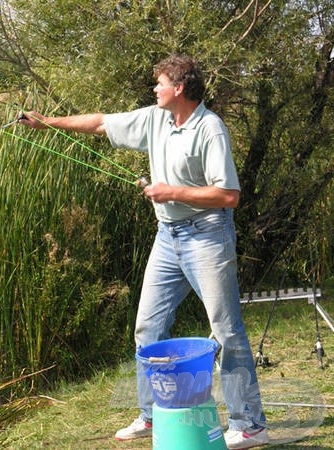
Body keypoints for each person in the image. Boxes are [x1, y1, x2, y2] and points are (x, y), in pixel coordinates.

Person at [20, 54, 269, 449]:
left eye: (160, 83)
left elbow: (229, 195)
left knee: (225, 329)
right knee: (147, 328)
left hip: (207, 236)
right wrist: (47, 123)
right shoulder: (156, 118)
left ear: (179, 88)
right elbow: (102, 122)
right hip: (167, 237)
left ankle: (250, 425)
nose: (155, 89)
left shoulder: (211, 128)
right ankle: (153, 415)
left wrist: (172, 192)